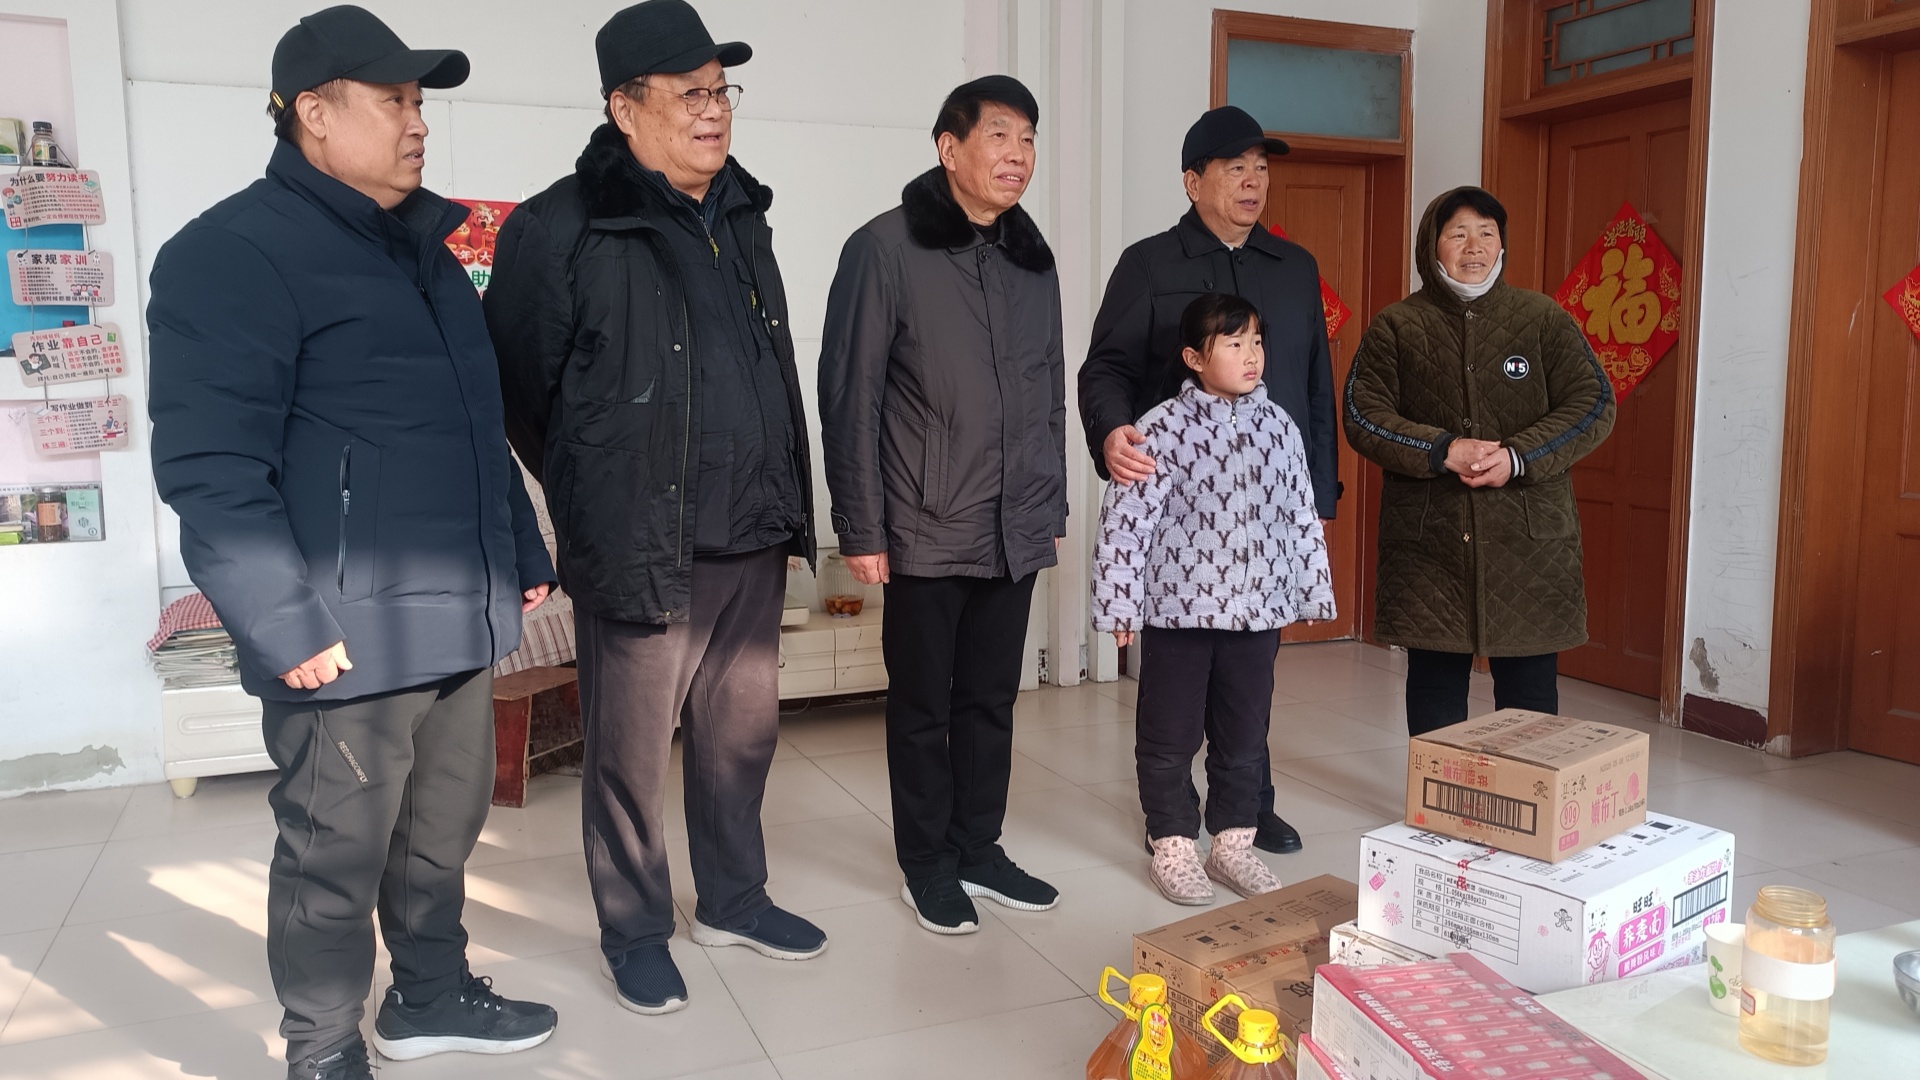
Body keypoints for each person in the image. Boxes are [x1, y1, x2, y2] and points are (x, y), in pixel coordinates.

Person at [146, 8, 559, 1079]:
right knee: (334, 857)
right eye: (394, 100)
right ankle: (323, 1049)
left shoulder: (426, 254)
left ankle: (429, 995)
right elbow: (211, 469)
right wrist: (282, 621)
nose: (418, 122)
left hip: (456, 612)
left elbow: (474, 422)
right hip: (341, 633)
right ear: (314, 114)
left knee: (441, 835)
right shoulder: (230, 255)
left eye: (421, 102)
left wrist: (518, 550)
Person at [484, 0, 824, 1017]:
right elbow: (519, 390)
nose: (714, 111)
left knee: (740, 738)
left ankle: (735, 899)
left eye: (722, 90)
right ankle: (635, 931)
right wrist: (598, 485)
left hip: (751, 530)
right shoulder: (559, 227)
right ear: (624, 108)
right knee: (629, 759)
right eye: (689, 93)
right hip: (639, 542)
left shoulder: (743, 211)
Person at [818, 75, 1067, 936]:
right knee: (924, 705)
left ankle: (978, 848)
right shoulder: (883, 249)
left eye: (1028, 139)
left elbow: (1047, 391)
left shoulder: (1032, 258)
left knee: (992, 699)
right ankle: (926, 862)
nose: (1018, 155)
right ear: (948, 147)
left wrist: (1048, 509)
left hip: (1014, 523)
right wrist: (862, 525)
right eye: (1000, 135)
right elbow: (849, 395)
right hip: (923, 522)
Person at [1078, 104, 1336, 856]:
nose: (1253, 181)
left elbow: (1314, 384)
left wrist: (1320, 494)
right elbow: (1106, 368)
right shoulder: (1148, 264)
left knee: (1251, 678)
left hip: (1267, 510)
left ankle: (1247, 805)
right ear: (1194, 182)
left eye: (1261, 168)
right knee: (1180, 686)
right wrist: (1112, 433)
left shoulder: (1295, 268)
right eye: (1234, 168)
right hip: (1186, 526)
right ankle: (1171, 817)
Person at [1343, 186, 1615, 735]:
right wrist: (1442, 449)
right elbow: (1363, 414)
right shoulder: (1397, 325)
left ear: (1501, 245)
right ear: (1432, 246)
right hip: (1432, 543)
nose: (1475, 246)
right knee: (1435, 687)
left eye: (1486, 233)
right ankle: (1441, 789)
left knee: (1530, 693)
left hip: (1528, 542)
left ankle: (1524, 790)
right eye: (1459, 234)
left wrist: (1519, 456)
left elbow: (1593, 403)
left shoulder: (1542, 318)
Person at [1092, 294, 1335, 905]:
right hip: (1180, 613)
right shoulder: (1160, 429)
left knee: (1244, 733)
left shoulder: (1280, 426)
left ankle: (1232, 843)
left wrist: (1311, 588)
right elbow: (1126, 523)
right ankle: (1173, 842)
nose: (1251, 356)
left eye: (1256, 342)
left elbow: (1300, 514)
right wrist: (1120, 605)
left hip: (1256, 614)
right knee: (1169, 734)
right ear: (1194, 358)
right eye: (1233, 344)